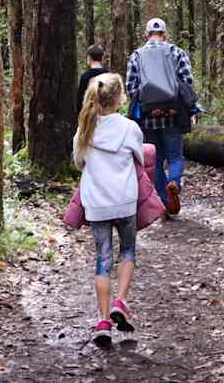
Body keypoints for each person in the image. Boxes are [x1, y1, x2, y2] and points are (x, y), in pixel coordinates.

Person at [73, 72, 144, 346]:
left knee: (102, 261)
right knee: (127, 251)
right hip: (125, 200)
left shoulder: (84, 130)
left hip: (96, 203)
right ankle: (121, 302)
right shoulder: (130, 128)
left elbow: (79, 164)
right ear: (119, 98)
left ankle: (103, 321)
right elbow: (139, 157)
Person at [125, 17, 199, 217]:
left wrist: (148, 103)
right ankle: (174, 182)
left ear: (146, 35)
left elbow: (131, 87)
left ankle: (165, 202)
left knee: (155, 159)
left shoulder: (136, 56)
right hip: (174, 114)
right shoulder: (176, 52)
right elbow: (187, 81)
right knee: (175, 156)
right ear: (165, 34)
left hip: (149, 117)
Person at [75, 43, 110, 126]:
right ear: (102, 58)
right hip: (106, 116)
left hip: (90, 117)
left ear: (89, 58)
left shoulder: (85, 76)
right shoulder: (108, 75)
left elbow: (80, 99)